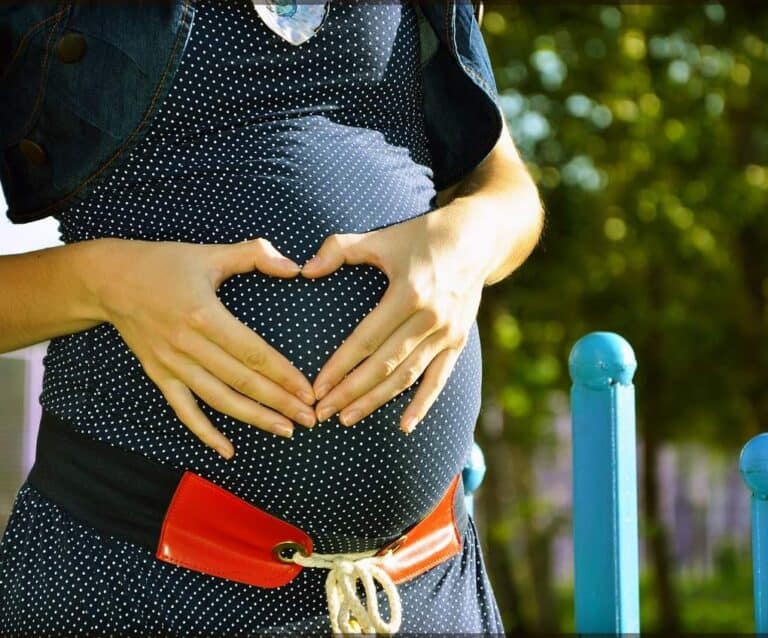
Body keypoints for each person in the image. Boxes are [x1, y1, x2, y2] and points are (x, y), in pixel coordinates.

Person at [0, 0, 544, 634]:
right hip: (137, 583)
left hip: (424, 589)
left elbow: (504, 184)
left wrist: (472, 240)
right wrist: (102, 282)